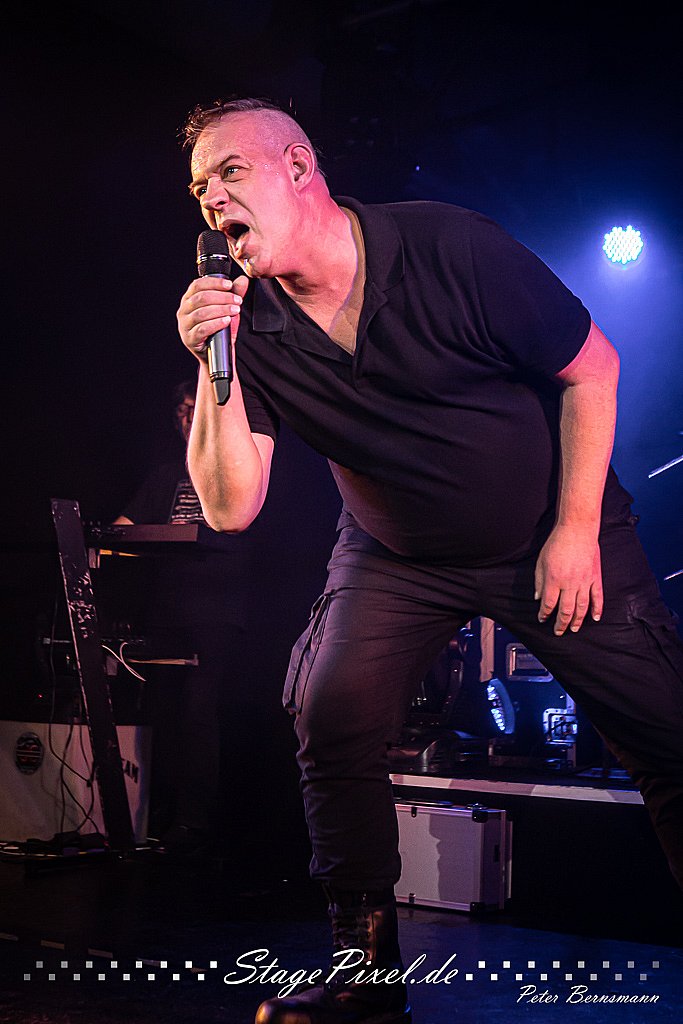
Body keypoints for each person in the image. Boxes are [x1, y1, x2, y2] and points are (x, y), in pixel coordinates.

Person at [175, 97, 683, 1024]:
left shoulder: (449, 248)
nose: (212, 197)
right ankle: (366, 980)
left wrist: (574, 530)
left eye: (230, 171)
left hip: (547, 526)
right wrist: (216, 363)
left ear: (299, 168)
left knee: (665, 732)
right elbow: (229, 507)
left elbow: (593, 368)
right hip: (396, 552)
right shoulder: (248, 329)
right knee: (329, 709)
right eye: (200, 185)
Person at [114, 378, 251, 859]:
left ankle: (195, 821)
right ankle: (152, 814)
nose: (188, 417)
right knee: (161, 714)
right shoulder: (164, 476)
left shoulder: (234, 471)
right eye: (181, 410)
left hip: (214, 615)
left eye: (196, 408)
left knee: (198, 714)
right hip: (164, 614)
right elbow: (123, 529)